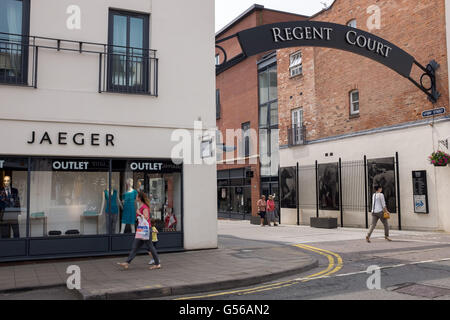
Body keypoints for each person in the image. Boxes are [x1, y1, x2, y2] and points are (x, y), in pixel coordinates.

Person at [117, 192, 161, 270]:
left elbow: (146, 218)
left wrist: (139, 213)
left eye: (137, 196)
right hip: (141, 230)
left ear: (140, 198)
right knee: (135, 247)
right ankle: (127, 263)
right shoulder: (141, 206)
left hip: (146, 230)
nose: (136, 197)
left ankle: (157, 264)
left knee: (150, 247)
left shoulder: (144, 207)